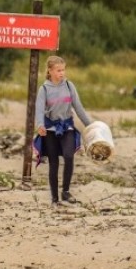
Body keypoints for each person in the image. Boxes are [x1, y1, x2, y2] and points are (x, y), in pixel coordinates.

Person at [33, 55, 93, 207]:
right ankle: (54, 198)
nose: (62, 73)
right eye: (58, 70)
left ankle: (66, 191)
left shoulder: (69, 86)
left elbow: (78, 108)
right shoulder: (44, 89)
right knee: (53, 163)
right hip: (50, 130)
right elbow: (39, 110)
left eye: (63, 70)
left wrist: (91, 126)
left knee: (69, 156)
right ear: (50, 71)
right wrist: (40, 125)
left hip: (67, 127)